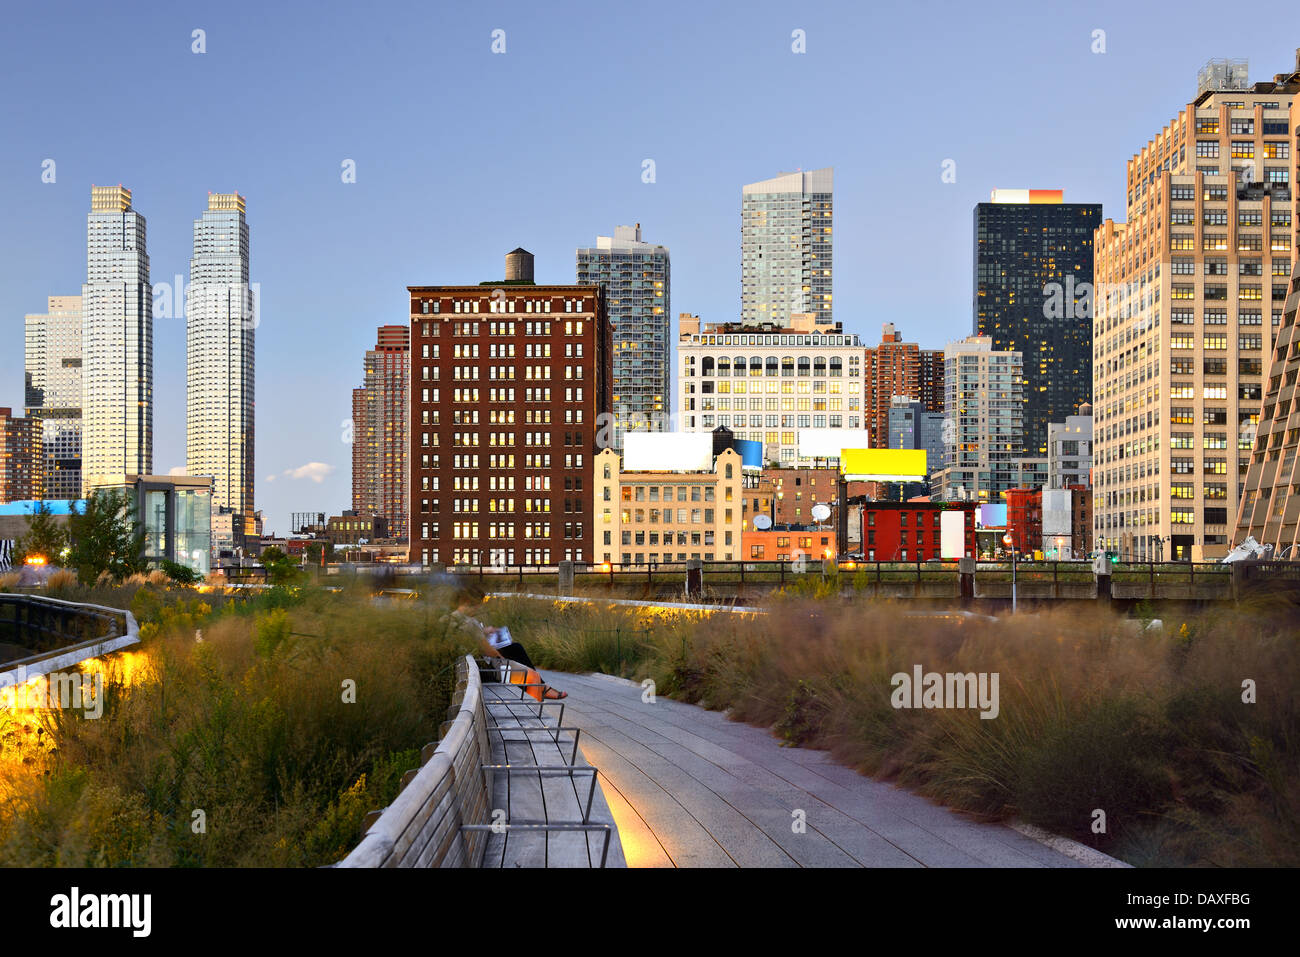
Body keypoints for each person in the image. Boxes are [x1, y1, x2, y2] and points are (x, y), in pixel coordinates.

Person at [450, 586, 566, 700]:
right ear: (468, 602)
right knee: (528, 671)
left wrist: (485, 631)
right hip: (484, 669)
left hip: (469, 666)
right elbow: (488, 651)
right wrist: (503, 659)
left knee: (515, 648)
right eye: (476, 605)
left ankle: (542, 688)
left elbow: (471, 637)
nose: (477, 609)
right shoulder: (470, 623)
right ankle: (541, 693)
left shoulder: (453, 618)